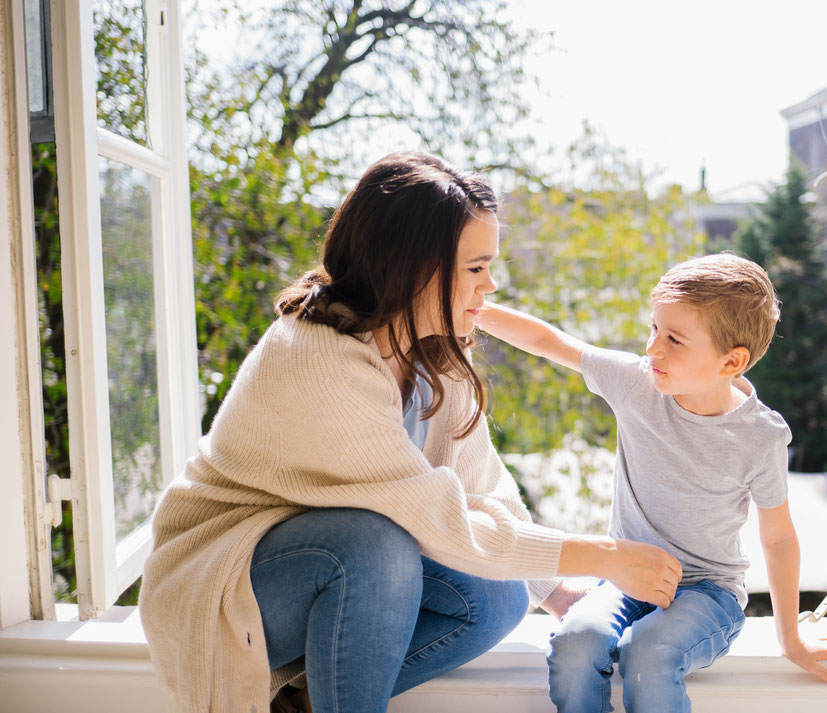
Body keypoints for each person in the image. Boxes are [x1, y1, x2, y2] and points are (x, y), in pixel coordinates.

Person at [138, 151, 682, 713]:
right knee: (376, 546)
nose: (491, 284)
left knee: (497, 596)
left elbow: (482, 489)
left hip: (328, 563)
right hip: (225, 580)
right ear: (413, 265)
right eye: (475, 268)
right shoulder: (314, 361)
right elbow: (437, 519)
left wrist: (554, 590)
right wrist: (605, 554)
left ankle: (303, 702)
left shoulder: (436, 349)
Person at [476, 253, 827, 713]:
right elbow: (546, 339)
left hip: (708, 593)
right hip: (626, 577)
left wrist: (790, 638)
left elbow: (778, 537)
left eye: (675, 339)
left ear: (731, 361)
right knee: (576, 641)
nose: (652, 349)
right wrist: (464, 308)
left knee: (649, 654)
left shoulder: (761, 436)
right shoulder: (633, 383)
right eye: (653, 329)